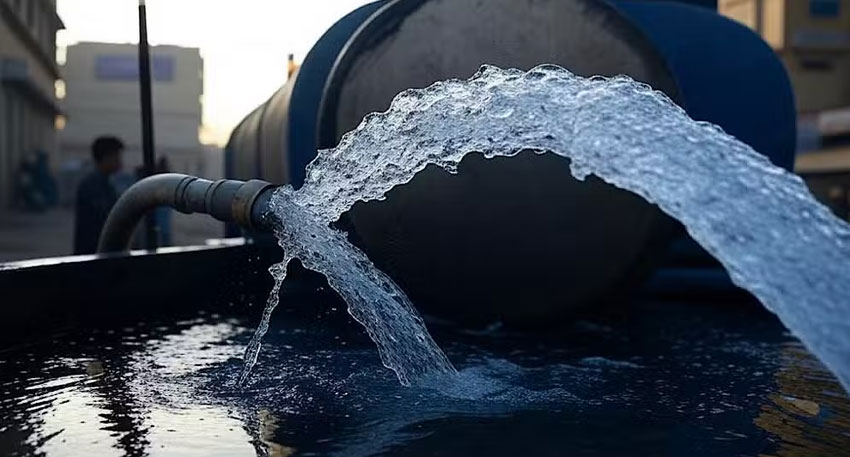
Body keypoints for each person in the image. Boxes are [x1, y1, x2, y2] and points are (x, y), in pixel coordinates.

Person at [73, 136, 124, 254]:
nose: (120, 162)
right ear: (106, 158)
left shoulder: (104, 183)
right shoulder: (92, 186)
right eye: (116, 157)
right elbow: (107, 218)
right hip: (93, 253)